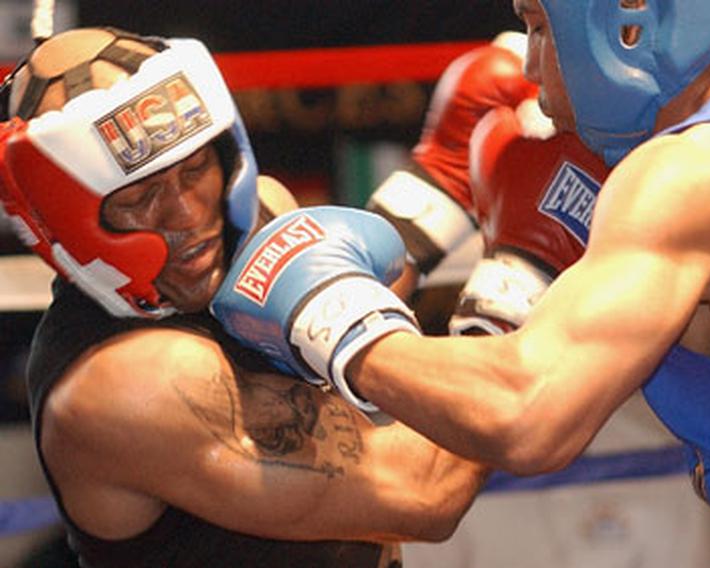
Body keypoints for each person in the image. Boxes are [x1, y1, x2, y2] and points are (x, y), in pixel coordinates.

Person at [211, 0, 710, 564]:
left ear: (628, 22)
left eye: (541, 27)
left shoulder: (686, 178)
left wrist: (326, 309)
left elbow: (526, 416)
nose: (531, 63)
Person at [0, 27, 491, 568]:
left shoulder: (249, 220)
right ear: (69, 222)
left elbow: (335, 310)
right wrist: (523, 269)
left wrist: (446, 177)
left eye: (195, 169)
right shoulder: (127, 386)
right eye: (140, 198)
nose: (189, 216)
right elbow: (424, 492)